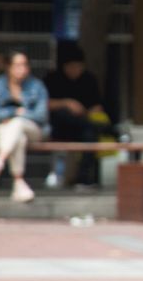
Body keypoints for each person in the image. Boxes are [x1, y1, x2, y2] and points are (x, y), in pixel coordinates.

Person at [44, 41, 110, 186]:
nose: (75, 70)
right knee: (64, 115)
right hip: (59, 127)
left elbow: (97, 106)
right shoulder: (53, 78)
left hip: (83, 127)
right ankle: (95, 126)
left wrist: (83, 111)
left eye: (78, 66)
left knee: (91, 135)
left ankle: (83, 179)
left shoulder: (89, 79)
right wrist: (67, 103)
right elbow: (45, 104)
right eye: (71, 66)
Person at [0, 49, 49, 202]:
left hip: (33, 130)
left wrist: (19, 115)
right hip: (5, 130)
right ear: (8, 66)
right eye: (17, 64)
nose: (22, 68)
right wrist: (15, 111)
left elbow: (41, 116)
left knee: (18, 123)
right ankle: (18, 182)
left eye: (25, 64)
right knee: (18, 137)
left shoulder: (37, 86)